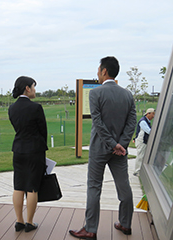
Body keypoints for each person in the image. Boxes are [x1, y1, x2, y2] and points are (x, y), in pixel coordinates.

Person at [69, 57, 136, 239]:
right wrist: (121, 144)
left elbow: (97, 123)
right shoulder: (128, 95)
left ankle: (90, 229)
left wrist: (113, 144)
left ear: (104, 71)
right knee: (124, 187)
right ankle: (126, 224)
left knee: (94, 187)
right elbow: (132, 123)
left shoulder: (95, 94)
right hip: (120, 151)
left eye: (99, 70)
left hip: (100, 149)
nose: (97, 73)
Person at [8, 76, 48, 233]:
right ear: (27, 88)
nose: (35, 90)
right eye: (33, 87)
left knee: (18, 185)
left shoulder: (12, 108)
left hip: (18, 149)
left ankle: (19, 221)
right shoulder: (36, 108)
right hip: (34, 150)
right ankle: (30, 222)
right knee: (32, 188)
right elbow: (43, 131)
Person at [133, 108, 155, 176]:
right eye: (153, 114)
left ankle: (140, 170)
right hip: (141, 141)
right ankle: (137, 171)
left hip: (144, 141)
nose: (153, 116)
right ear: (148, 113)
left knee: (142, 156)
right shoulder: (143, 121)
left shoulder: (147, 121)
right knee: (140, 156)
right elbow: (148, 131)